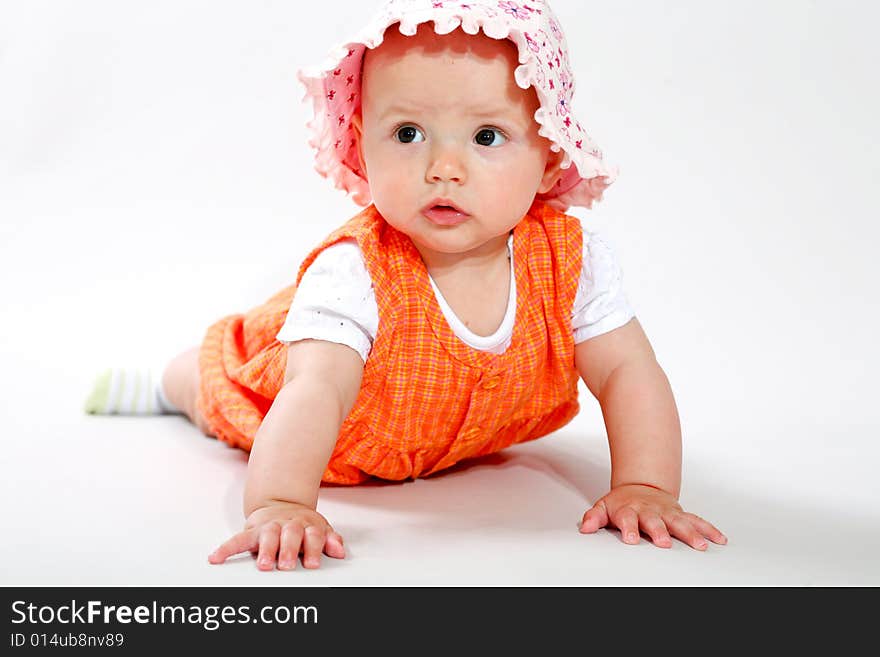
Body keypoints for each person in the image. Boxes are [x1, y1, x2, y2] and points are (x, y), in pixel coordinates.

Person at [85, 0, 726, 571]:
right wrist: (280, 503)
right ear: (363, 148)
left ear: (550, 155)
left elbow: (628, 374)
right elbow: (316, 389)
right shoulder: (356, 272)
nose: (443, 168)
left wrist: (647, 486)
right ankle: (165, 384)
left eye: (486, 136)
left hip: (439, 442)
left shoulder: (572, 261)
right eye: (408, 134)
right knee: (213, 383)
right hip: (308, 428)